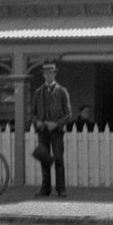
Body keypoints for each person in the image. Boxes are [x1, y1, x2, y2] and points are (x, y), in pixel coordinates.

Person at [30, 63, 74, 198]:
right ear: (43, 75)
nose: (48, 76)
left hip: (56, 130)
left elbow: (68, 114)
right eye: (46, 73)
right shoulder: (38, 92)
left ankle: (61, 189)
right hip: (42, 130)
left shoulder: (62, 91)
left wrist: (56, 124)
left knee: (59, 158)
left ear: (55, 74)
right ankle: (45, 189)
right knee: (45, 159)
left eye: (51, 73)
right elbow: (32, 113)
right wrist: (37, 121)